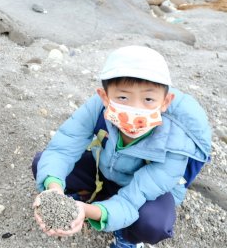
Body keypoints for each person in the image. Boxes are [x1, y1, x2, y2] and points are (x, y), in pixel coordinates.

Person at [31, 46, 211, 248]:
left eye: (148, 99)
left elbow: (131, 200)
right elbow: (63, 148)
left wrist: (86, 211)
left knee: (153, 223)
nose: (135, 108)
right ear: (105, 97)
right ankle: (82, 196)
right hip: (106, 169)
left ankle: (127, 237)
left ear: (165, 102)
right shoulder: (98, 108)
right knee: (44, 164)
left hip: (144, 192)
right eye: (123, 98)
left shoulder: (176, 144)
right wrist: (54, 190)